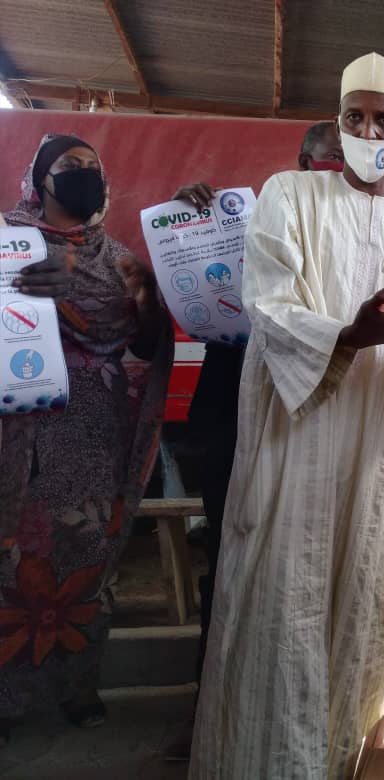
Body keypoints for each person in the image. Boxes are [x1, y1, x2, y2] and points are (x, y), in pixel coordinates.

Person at [189, 52, 384, 780]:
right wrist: (350, 334)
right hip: (296, 438)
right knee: (284, 602)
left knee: (362, 596)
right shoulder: (289, 194)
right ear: (337, 128)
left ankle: (343, 762)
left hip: (377, 451)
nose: (369, 132)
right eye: (355, 118)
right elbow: (270, 305)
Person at [164, 119, 346, 764]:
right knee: (232, 558)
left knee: (312, 569)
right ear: (302, 161)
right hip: (237, 417)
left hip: (320, 422)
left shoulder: (365, 230)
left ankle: (309, 711)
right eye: (329, 157)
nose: (339, 168)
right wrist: (189, 223)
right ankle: (211, 711)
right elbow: (196, 281)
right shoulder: (252, 218)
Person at [0, 135, 171, 744]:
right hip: (20, 436)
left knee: (88, 558)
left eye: (93, 168)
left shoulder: (119, 259)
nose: (85, 176)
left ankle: (77, 684)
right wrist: (21, 288)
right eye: (70, 167)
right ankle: (6, 696)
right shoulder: (8, 243)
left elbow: (144, 346)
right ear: (40, 179)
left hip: (98, 433)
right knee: (14, 561)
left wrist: (148, 302)